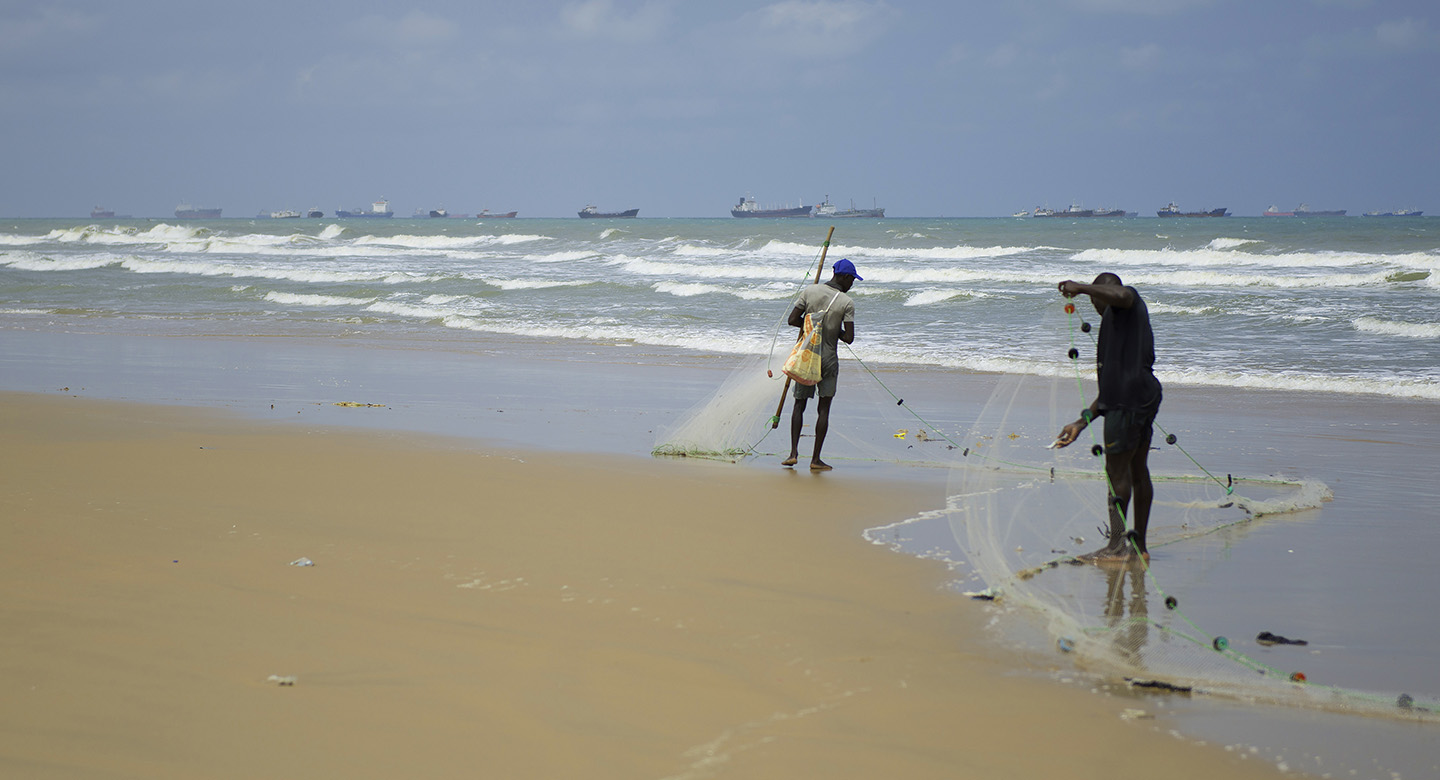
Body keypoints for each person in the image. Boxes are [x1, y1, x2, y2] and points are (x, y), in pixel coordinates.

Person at [1053, 273, 1163, 562]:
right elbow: (1109, 391)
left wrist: (1080, 287)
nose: (1095, 306)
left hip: (1129, 402)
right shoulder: (1114, 324)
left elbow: (1123, 294)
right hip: (1139, 397)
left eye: (1095, 299)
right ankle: (1138, 547)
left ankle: (1116, 547)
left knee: (1118, 475)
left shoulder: (1127, 303)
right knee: (1138, 471)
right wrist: (1081, 422)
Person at [783, 258, 860, 471]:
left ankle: (793, 453)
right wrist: (833, 331)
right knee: (823, 409)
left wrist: (811, 327)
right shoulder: (846, 302)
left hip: (807, 355)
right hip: (828, 359)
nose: (852, 284)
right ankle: (816, 460)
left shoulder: (810, 292)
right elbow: (849, 338)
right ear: (843, 277)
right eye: (852, 279)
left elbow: (792, 320)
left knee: (799, 404)